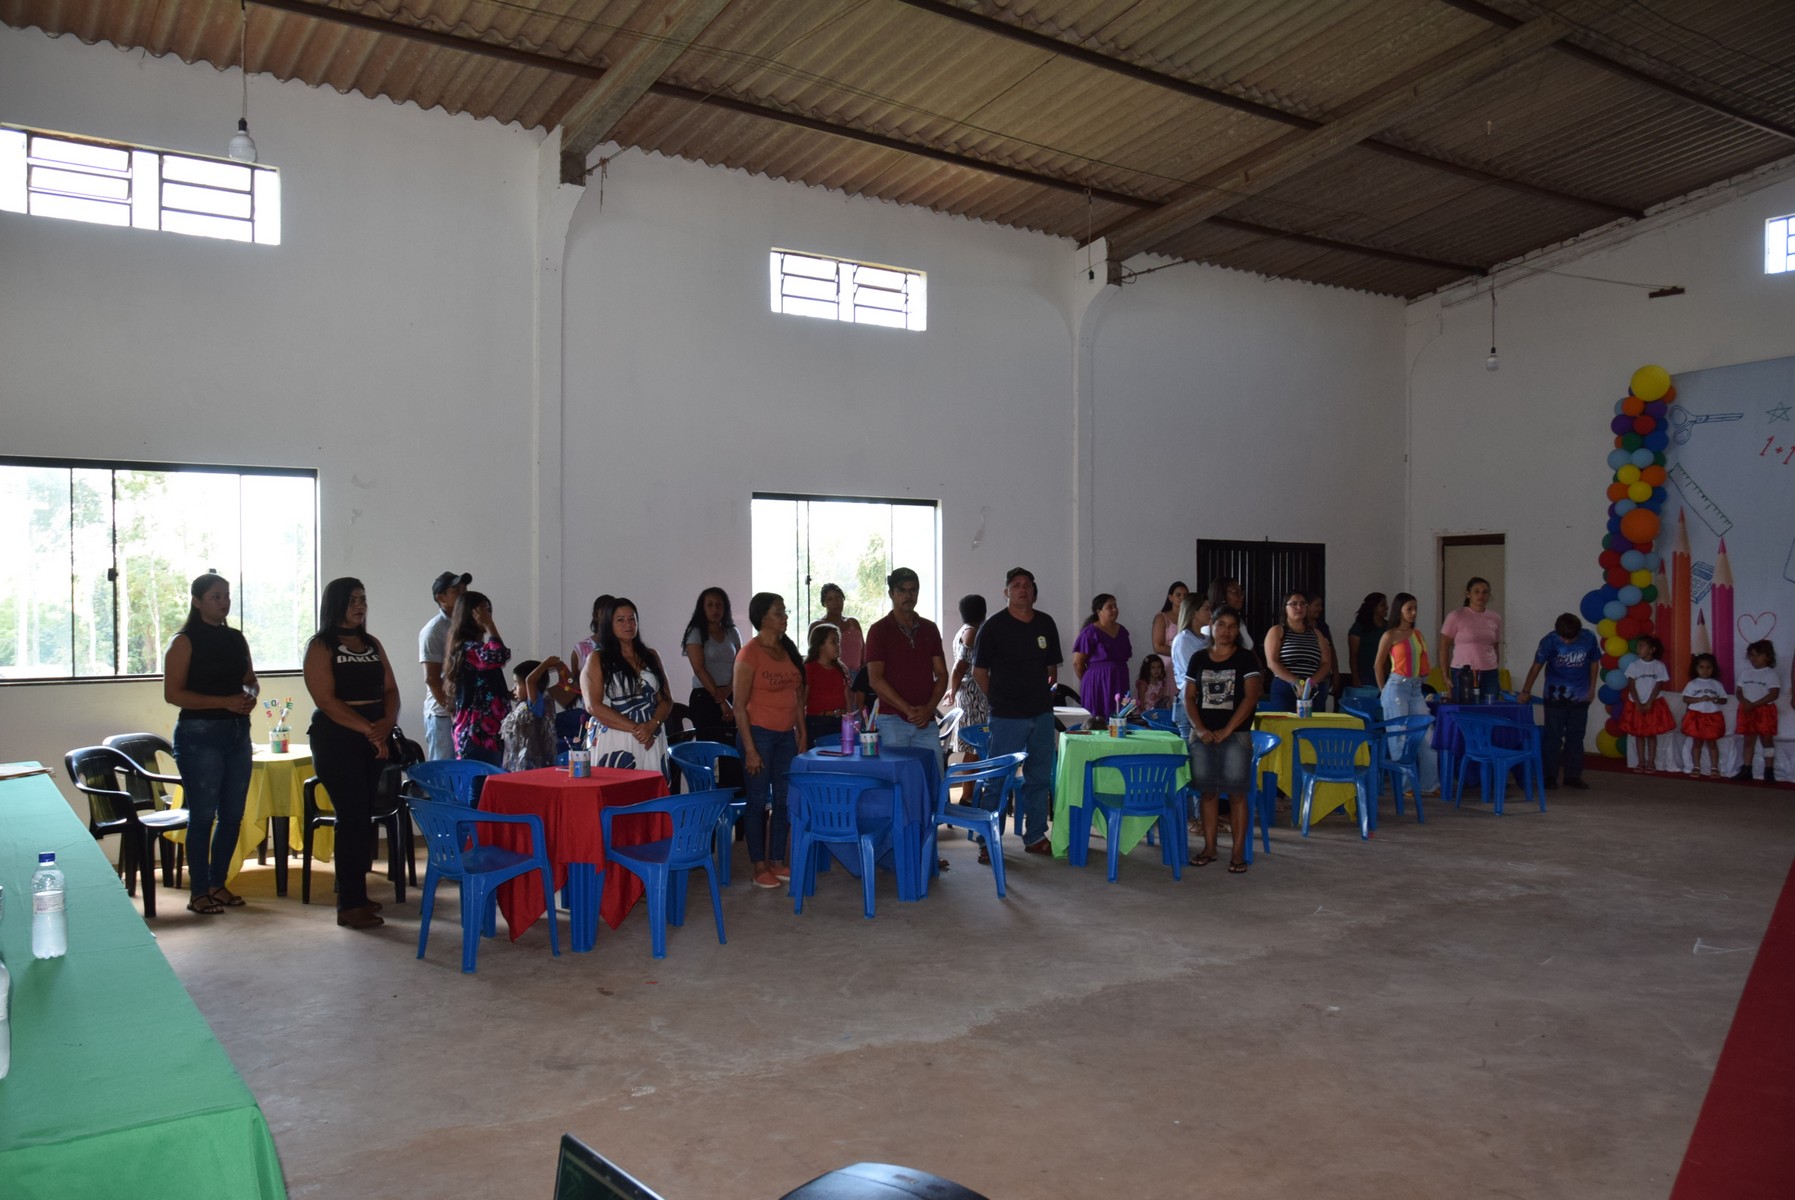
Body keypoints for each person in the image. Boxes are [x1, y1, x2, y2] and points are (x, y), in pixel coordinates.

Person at [302, 577, 400, 931]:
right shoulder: (321, 646)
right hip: (337, 739)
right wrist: (370, 729)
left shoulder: (372, 643)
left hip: (374, 736)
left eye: (363, 599)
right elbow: (326, 700)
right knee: (351, 817)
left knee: (363, 817)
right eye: (353, 600)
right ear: (336, 605)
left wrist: (385, 723)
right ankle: (349, 904)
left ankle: (357, 893)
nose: (360, 606)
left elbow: (390, 689)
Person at [163, 573, 258, 916]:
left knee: (232, 815)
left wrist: (249, 696)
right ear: (197, 601)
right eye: (216, 596)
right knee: (203, 816)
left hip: (237, 732)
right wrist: (225, 703)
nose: (224, 602)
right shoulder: (184, 641)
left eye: (227, 596)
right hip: (199, 735)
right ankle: (199, 892)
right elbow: (173, 694)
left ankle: (218, 883)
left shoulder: (235, 638)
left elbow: (250, 680)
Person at [973, 567, 1061, 857]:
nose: (1022, 589)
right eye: (1016, 585)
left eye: (1027, 585)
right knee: (998, 779)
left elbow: (1051, 668)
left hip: (1041, 715)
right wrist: (999, 699)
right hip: (1007, 717)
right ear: (1006, 593)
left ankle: (1035, 836)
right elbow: (979, 672)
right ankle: (989, 841)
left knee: (1039, 779)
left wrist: (1044, 695)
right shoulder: (993, 627)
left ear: (1034, 592)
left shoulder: (1046, 623)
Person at [1182, 606, 1262, 875]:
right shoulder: (1198, 658)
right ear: (1212, 627)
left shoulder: (1246, 658)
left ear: (1237, 630)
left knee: (1237, 795)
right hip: (1203, 736)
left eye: (1232, 625)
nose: (1226, 630)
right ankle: (1209, 848)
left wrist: (1228, 730)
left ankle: (1237, 853)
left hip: (1236, 736)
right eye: (1221, 624)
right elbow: (1188, 697)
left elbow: (1251, 697)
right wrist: (1200, 728)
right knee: (1208, 793)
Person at [734, 593, 806, 889]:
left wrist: (802, 733)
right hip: (758, 735)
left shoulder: (787, 649)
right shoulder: (749, 654)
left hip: (786, 735)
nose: (784, 616)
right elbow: (739, 706)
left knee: (783, 799)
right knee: (757, 800)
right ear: (762, 617)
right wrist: (750, 749)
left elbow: (797, 698)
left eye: (784, 611)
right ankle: (759, 866)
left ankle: (777, 860)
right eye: (778, 612)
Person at [864, 567, 949, 767]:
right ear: (891, 593)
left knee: (934, 774)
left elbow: (942, 674)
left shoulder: (929, 629)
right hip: (892, 720)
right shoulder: (879, 630)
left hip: (926, 721)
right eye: (901, 590)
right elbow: (875, 679)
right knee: (898, 777)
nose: (908, 595)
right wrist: (909, 710)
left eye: (913, 590)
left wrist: (928, 710)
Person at [581, 597, 674, 776]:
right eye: (620, 620)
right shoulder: (598, 658)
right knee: (617, 790)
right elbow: (593, 706)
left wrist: (652, 725)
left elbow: (666, 699)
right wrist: (638, 730)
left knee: (651, 790)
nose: (628, 624)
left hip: (651, 735)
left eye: (632, 619)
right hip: (616, 736)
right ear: (609, 624)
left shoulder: (651, 656)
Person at [1516, 613, 1600, 790]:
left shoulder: (1589, 638)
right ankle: (1549, 776)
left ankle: (1573, 775)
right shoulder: (1549, 641)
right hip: (1554, 697)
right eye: (1564, 638)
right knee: (1553, 737)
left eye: (1571, 638)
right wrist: (1526, 691)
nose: (1567, 642)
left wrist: (1592, 689)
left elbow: (1594, 663)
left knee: (1576, 736)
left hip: (1580, 696)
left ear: (1579, 632)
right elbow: (1536, 666)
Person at [1373, 592, 1440, 796]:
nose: (1413, 613)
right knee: (1399, 737)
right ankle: (1405, 786)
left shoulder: (1417, 634)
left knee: (1427, 736)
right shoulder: (1390, 635)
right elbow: (1378, 665)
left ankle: (1430, 784)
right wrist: (1384, 691)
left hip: (1416, 688)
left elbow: (1423, 664)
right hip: (1396, 687)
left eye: (1415, 608)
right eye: (1409, 609)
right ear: (1399, 610)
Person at [442, 590, 511, 765]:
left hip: (489, 733)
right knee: (480, 781)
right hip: (477, 734)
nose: (487, 615)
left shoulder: (475, 648)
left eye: (489, 611)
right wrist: (490, 625)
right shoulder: (467, 648)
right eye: (483, 610)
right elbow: (499, 654)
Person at [417, 570, 468, 761]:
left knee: (466, 770)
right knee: (444, 771)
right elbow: (431, 678)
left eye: (464, 589)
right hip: (443, 716)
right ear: (441, 598)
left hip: (464, 712)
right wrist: (452, 709)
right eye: (456, 590)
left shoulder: (467, 625)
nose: (463, 594)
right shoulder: (434, 630)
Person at [682, 587, 741, 744]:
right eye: (710, 605)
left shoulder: (732, 632)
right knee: (709, 747)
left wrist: (729, 689)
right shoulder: (695, 632)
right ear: (702, 608)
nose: (715, 609)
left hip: (730, 692)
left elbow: (740, 664)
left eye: (719, 604)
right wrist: (722, 701)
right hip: (705, 697)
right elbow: (699, 669)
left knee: (732, 747)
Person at [1263, 592, 1334, 712]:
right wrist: (1296, 682)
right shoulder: (1277, 631)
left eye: (1303, 604)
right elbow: (1272, 662)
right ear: (1285, 608)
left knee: (1312, 723)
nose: (1299, 607)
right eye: (1294, 604)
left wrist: (1311, 683)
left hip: (1312, 689)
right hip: (1285, 688)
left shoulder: (1316, 633)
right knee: (1284, 722)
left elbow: (1326, 663)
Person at [1439, 577, 1503, 702]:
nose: (1481, 595)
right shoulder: (1456, 616)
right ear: (1468, 594)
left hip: (1489, 672)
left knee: (1489, 706)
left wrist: (1494, 666)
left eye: (1485, 592)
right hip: (1463, 671)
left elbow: (1495, 646)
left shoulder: (1495, 618)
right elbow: (1444, 646)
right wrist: (1445, 675)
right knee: (1464, 706)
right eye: (1476, 591)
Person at [1072, 593, 1133, 722]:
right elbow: (1077, 663)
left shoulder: (1122, 631)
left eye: (1115, 606)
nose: (1115, 609)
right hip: (1097, 683)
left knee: (1120, 716)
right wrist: (1090, 682)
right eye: (1110, 607)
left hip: (1119, 681)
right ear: (1099, 611)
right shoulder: (1090, 632)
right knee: (1097, 721)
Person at [500, 657, 568, 772]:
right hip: (519, 764)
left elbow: (530, 681)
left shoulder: (537, 704)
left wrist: (546, 664)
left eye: (516, 683)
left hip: (535, 766)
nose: (514, 688)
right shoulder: (523, 705)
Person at [1619, 635, 1673, 771]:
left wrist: (1649, 703)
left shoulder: (1659, 666)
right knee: (1639, 734)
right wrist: (1638, 703)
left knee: (1651, 734)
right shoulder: (1634, 665)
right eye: (1638, 646)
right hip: (1636, 704)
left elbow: (1658, 686)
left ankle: (1651, 762)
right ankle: (1641, 762)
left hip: (1654, 704)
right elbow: (1631, 686)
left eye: (1641, 646)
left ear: (1652, 649)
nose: (1638, 649)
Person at [947, 593, 990, 753]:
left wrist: (954, 689)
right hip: (974, 696)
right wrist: (953, 691)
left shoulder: (964, 631)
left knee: (977, 746)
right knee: (976, 745)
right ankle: (966, 772)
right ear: (983, 611)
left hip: (969, 693)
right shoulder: (971, 633)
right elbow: (959, 667)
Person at [1168, 594, 1213, 741]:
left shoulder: (1206, 638)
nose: (1210, 613)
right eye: (1206, 609)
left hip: (1206, 699)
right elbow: (1193, 673)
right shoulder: (1183, 639)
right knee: (1191, 747)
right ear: (1194, 612)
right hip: (1189, 700)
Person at [1734, 640, 1780, 782]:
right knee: (1748, 740)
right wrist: (1744, 702)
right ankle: (1747, 769)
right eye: (1752, 655)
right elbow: (1739, 691)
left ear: (1768, 657)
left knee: (1767, 740)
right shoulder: (1745, 673)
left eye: (1758, 655)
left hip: (1764, 711)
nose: (1754, 658)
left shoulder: (1770, 674)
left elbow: (1774, 694)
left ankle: (1769, 770)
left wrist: (1754, 704)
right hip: (1747, 710)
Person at [804, 624, 853, 746]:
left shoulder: (841, 669)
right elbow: (801, 702)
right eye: (833, 642)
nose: (838, 646)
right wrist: (801, 733)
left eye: (838, 642)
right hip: (818, 723)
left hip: (840, 722)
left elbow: (848, 700)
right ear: (820, 645)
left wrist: (849, 723)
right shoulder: (809, 669)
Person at [1681, 654, 1727, 778]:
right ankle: (1696, 766)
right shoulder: (1692, 683)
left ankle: (1714, 768)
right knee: (1697, 743)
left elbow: (1724, 699)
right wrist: (1700, 699)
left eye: (1708, 667)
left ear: (1713, 669)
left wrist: (1716, 700)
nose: (1705, 670)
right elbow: (1686, 699)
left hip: (1712, 716)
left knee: (1712, 743)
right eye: (1701, 667)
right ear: (1696, 668)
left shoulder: (1716, 684)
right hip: (1696, 716)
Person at [809, 582, 866, 674]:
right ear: (824, 603)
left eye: (838, 597)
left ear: (843, 599)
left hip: (858, 675)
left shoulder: (853, 623)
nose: (835, 602)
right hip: (830, 675)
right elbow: (813, 657)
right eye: (830, 599)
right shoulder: (817, 626)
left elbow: (864, 655)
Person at [1200, 577, 1254, 650]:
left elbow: (1249, 646)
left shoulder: (1238, 620)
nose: (1241, 596)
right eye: (1235, 592)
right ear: (1221, 594)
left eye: (1241, 591)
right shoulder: (1209, 624)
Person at [1348, 593, 1389, 688]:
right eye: (1382, 605)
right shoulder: (1359, 627)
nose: (1386, 607)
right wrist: (1355, 677)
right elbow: (1353, 655)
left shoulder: (1388, 626)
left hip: (1387, 673)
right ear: (1374, 608)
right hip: (1366, 675)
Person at [568, 594, 613, 678]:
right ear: (595, 616)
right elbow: (576, 683)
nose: (609, 618)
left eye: (612, 614)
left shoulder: (625, 645)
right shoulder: (580, 649)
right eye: (604, 614)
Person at [1149, 581, 1189, 669]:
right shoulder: (1162, 618)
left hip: (1186, 663)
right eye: (1178, 595)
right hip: (1167, 664)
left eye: (1185, 595)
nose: (1182, 597)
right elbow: (1158, 647)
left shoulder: (1191, 617)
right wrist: (1181, 653)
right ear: (1170, 598)